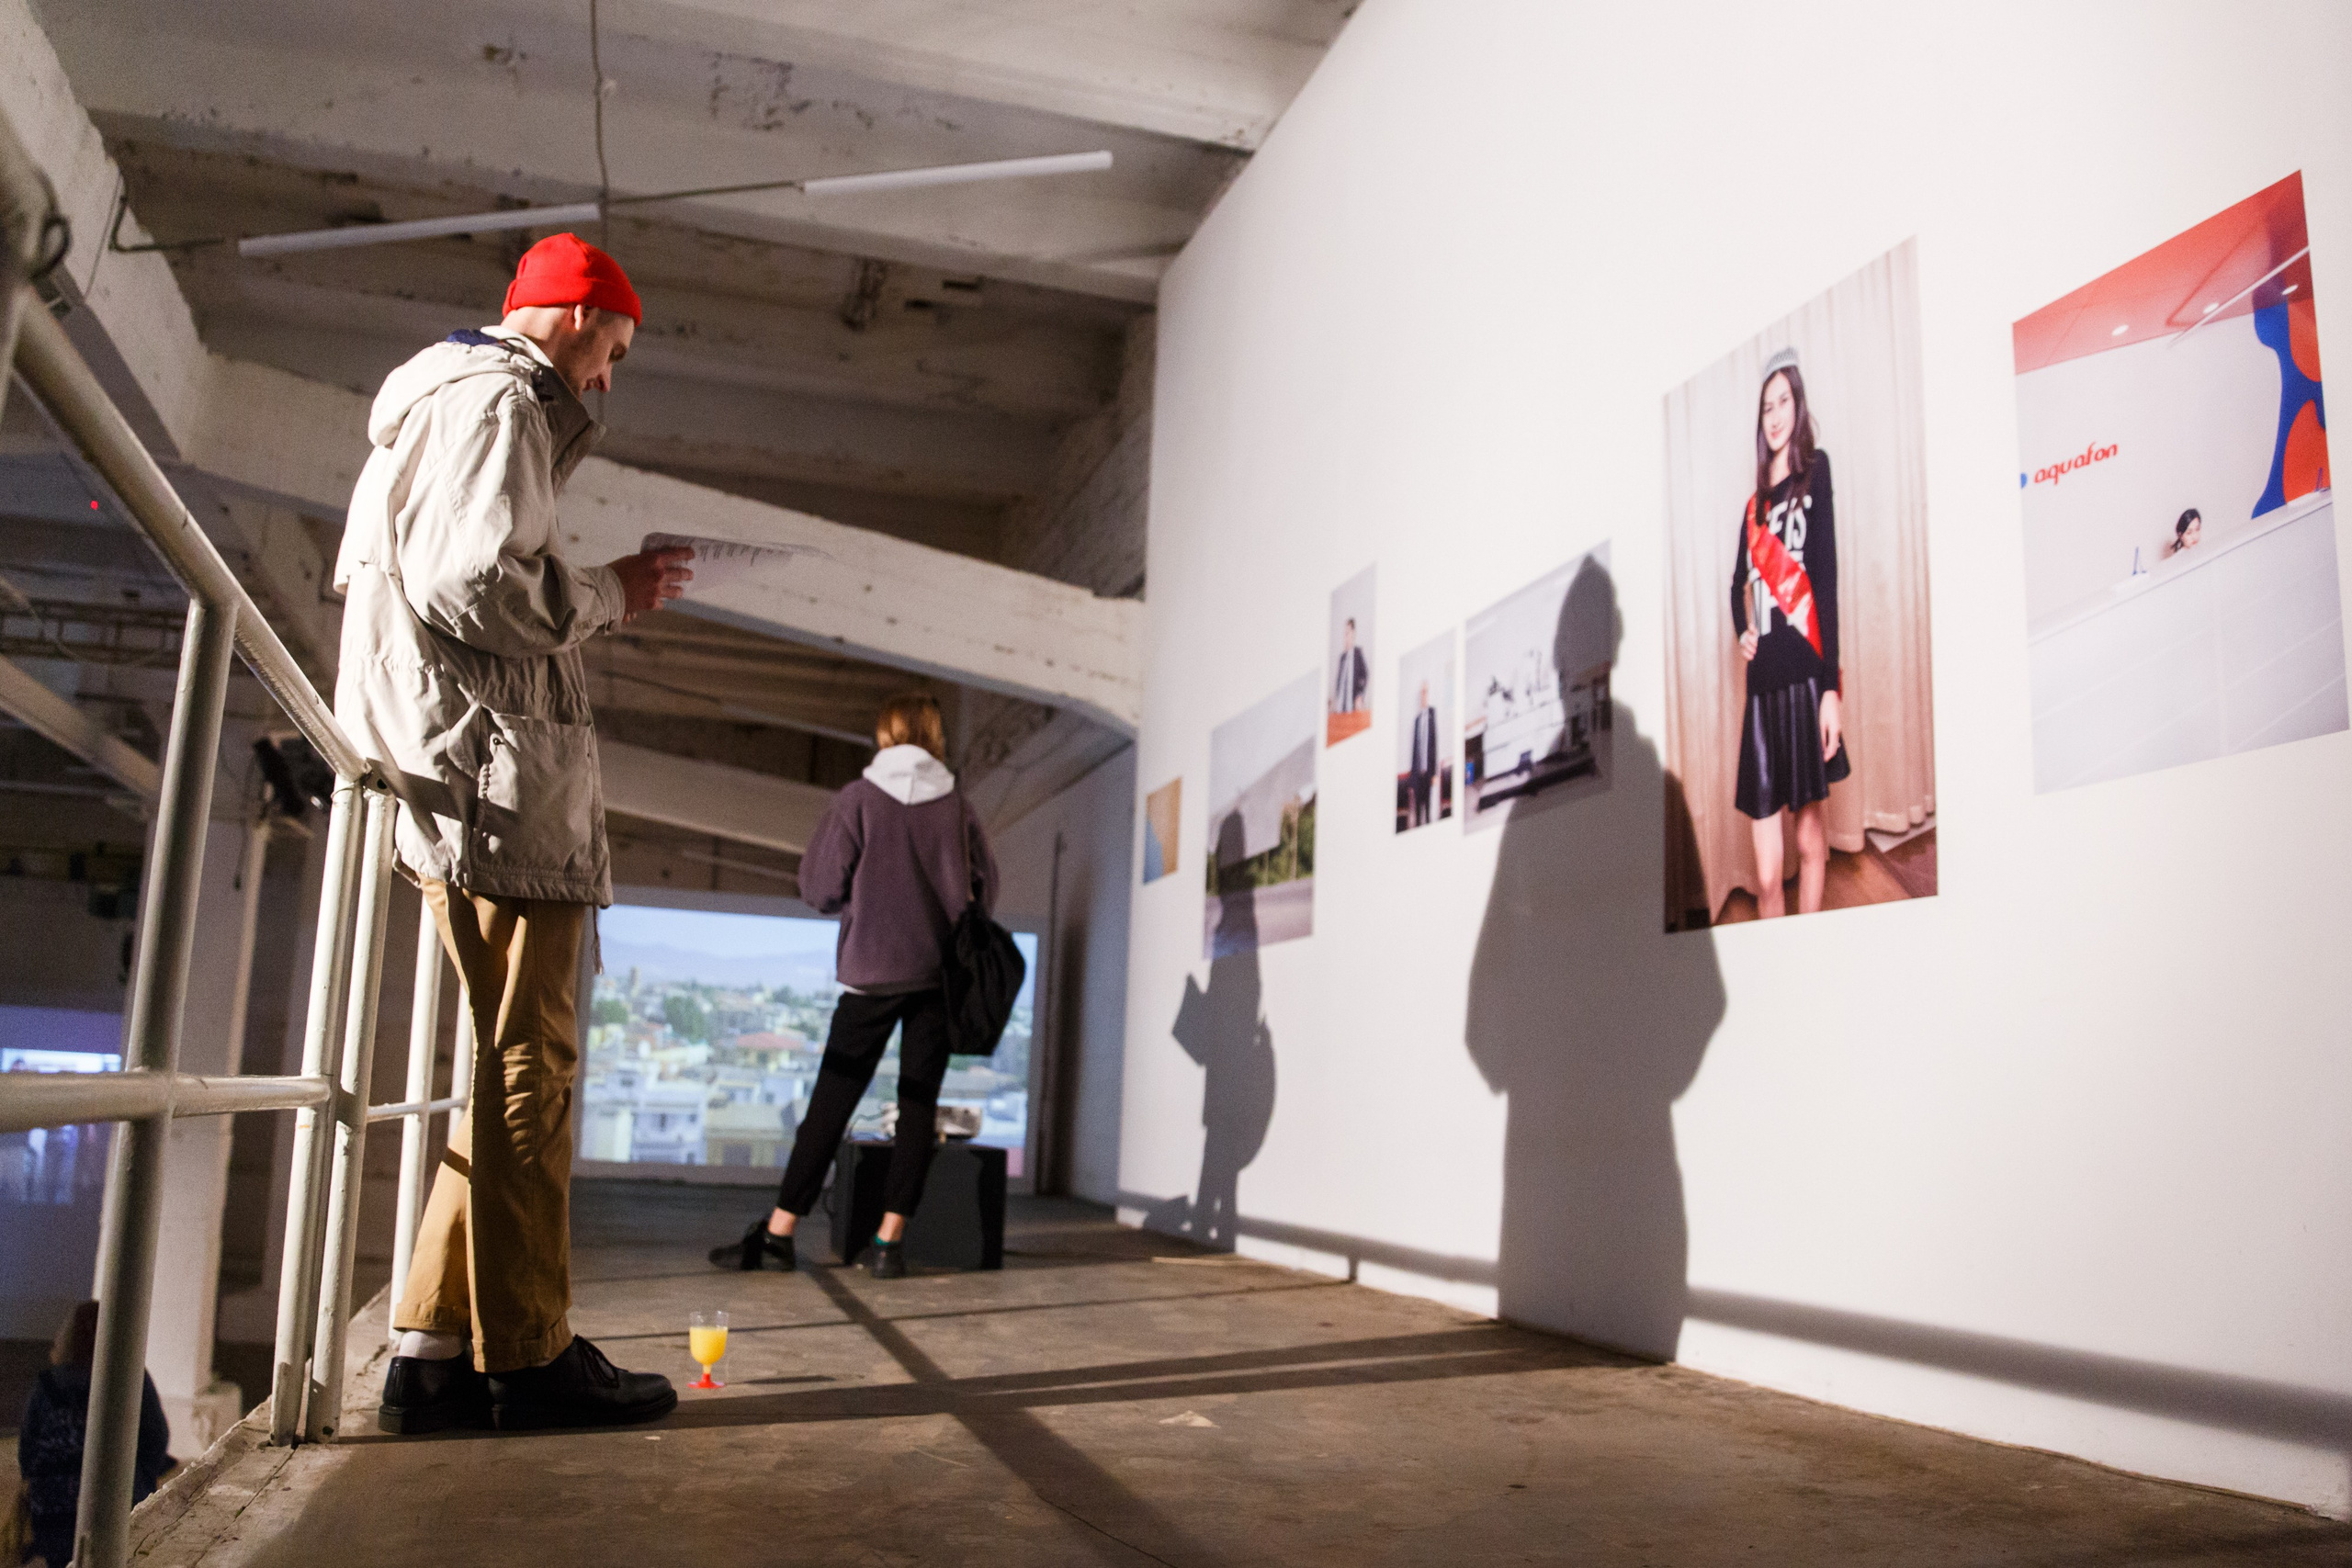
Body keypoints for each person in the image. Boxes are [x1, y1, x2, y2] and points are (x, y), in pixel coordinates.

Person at [337, 231, 691, 1435]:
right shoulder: (496, 403)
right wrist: (613, 595)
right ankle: (529, 1356)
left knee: (498, 1070)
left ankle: (430, 1351)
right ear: (574, 312)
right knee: (536, 1066)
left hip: (462, 770)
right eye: (616, 347)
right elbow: (484, 584)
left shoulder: (441, 402)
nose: (609, 379)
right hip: (494, 780)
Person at [712, 694, 1000, 1280]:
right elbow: (985, 887)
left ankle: (780, 1233)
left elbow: (819, 886)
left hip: (869, 973)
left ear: (886, 734)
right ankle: (889, 1243)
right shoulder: (956, 806)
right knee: (918, 1107)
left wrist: (862, 905)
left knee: (830, 1105)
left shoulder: (859, 799)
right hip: (938, 975)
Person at [1730, 347, 1846, 919]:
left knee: (1808, 843)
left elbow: (1825, 582)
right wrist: (1741, 631)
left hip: (1804, 680)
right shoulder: (1751, 508)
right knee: (1769, 871)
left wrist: (1831, 690)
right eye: (1765, 407)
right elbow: (1737, 588)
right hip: (1762, 689)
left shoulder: (1815, 472)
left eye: (1784, 402)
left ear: (1797, 407)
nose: (1774, 416)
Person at [16, 1302, 172, 1568]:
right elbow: (156, 1436)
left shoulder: (48, 1384)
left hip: (55, 1513)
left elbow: (28, 1450)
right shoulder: (130, 1377)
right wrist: (140, 1475)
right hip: (119, 1502)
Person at [1407, 679, 1441, 827]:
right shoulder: (1416, 720)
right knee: (1418, 811)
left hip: (1428, 772)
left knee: (1427, 809)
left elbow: (1434, 745)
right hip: (1418, 774)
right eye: (1422, 692)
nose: (1423, 695)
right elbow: (1414, 751)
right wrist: (1412, 779)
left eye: (1426, 692)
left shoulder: (1432, 715)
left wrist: (1434, 773)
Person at [1331, 618, 1369, 715]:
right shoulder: (1342, 658)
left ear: (1353, 633)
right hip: (1340, 707)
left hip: (1352, 706)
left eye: (1347, 633)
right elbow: (1339, 683)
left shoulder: (1358, 653)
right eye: (1344, 634)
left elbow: (1364, 675)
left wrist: (1359, 695)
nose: (1345, 637)